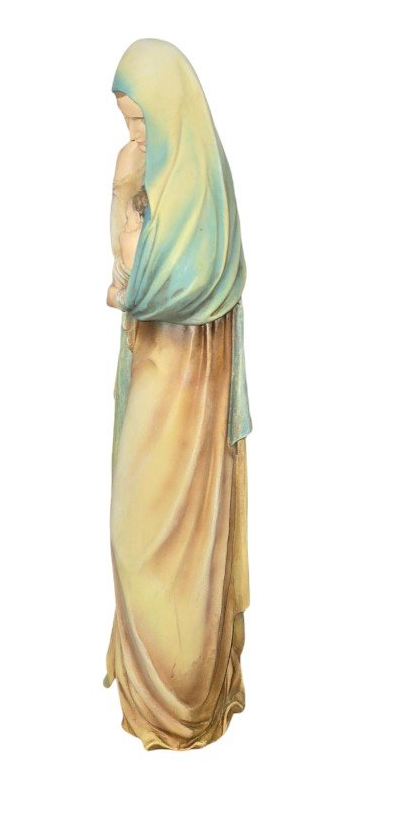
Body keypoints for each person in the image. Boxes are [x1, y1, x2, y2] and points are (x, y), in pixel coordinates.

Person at [103, 38, 252, 751]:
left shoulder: (198, 191)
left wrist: (132, 268)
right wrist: (121, 195)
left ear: (172, 116)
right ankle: (148, 691)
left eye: (141, 125)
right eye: (127, 126)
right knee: (132, 538)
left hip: (188, 405)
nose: (134, 140)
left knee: (180, 555)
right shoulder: (143, 176)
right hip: (152, 389)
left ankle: (185, 696)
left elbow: (157, 286)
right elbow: (126, 276)